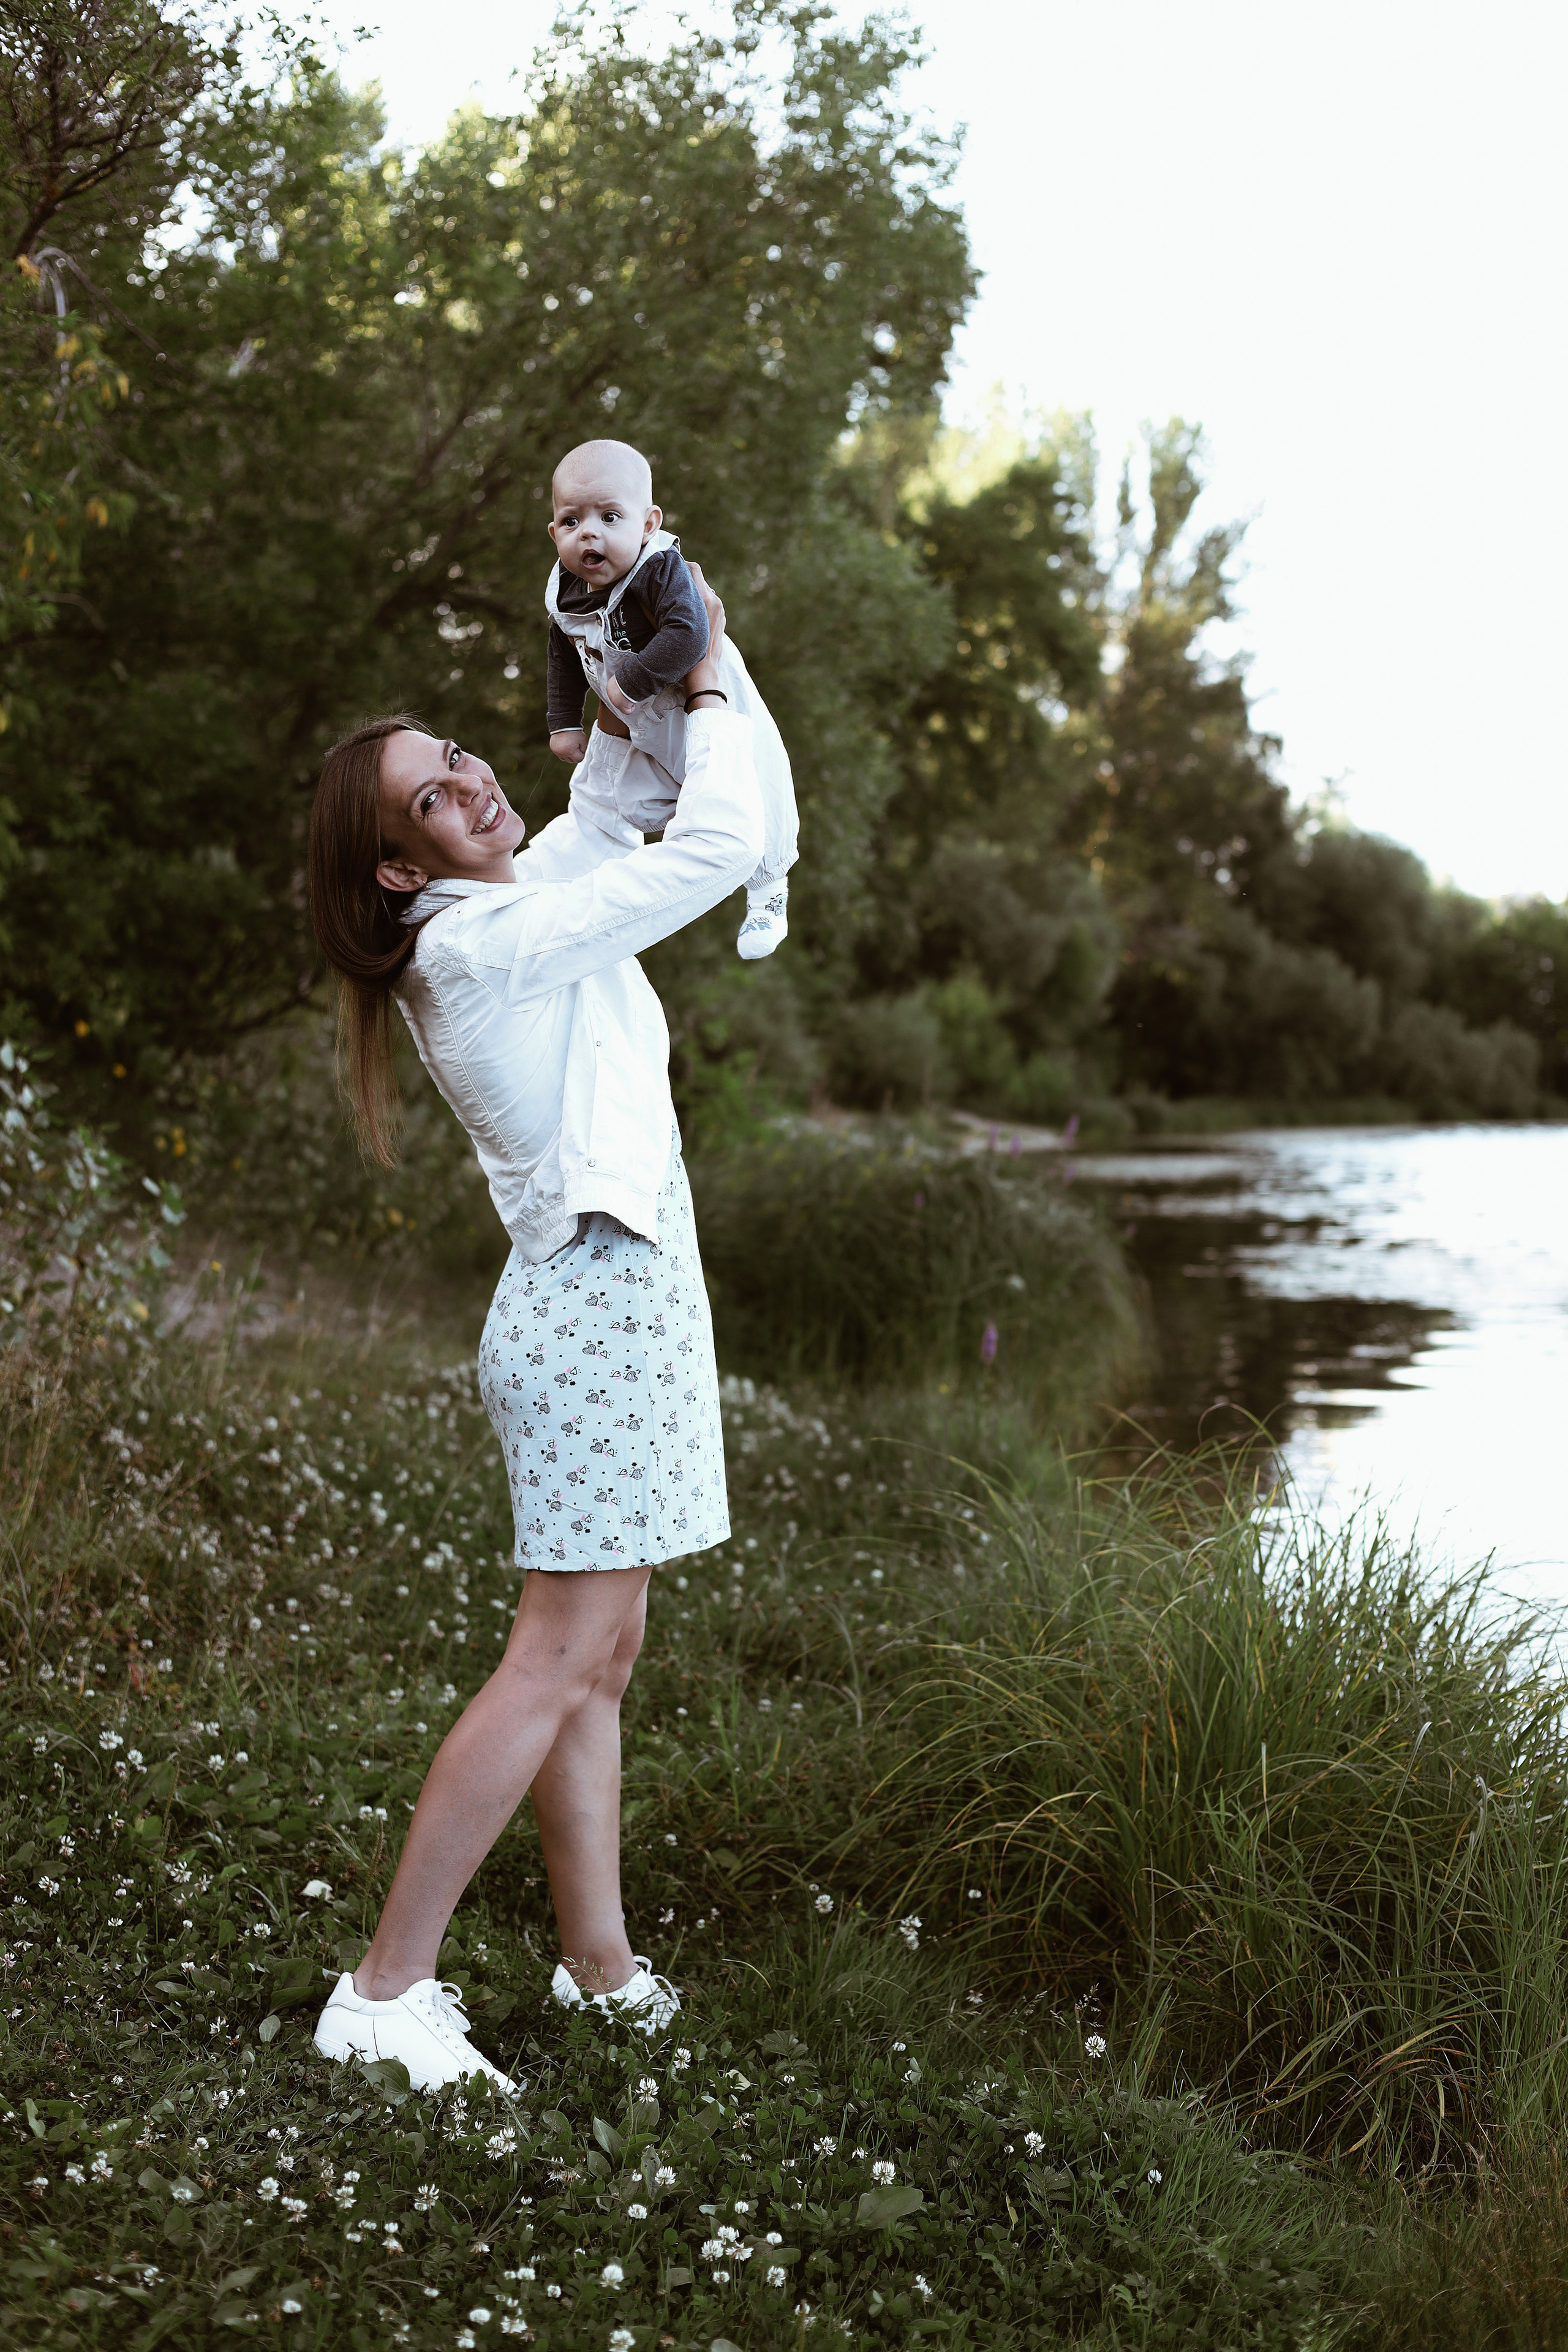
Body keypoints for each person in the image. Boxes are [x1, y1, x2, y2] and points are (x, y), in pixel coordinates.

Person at [304, 568, 758, 2095]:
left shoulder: (516, 902)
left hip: (613, 1300)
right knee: (554, 1656)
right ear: (392, 869)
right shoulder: (478, 946)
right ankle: (384, 1989)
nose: (471, 777)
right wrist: (701, 689)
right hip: (590, 1308)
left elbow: (619, 813)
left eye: (459, 754)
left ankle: (596, 1961)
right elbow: (719, 838)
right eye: (432, 792)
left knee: (601, 1655)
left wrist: (632, 662)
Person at [545, 437, 798, 960]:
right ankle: (701, 834)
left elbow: (690, 634)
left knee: (755, 782)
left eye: (610, 517)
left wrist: (631, 683)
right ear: (554, 533)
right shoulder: (567, 591)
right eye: (572, 522)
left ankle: (768, 889)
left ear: (648, 524)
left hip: (708, 700)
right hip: (647, 720)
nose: (589, 532)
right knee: (636, 800)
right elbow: (563, 651)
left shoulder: (659, 570)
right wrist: (563, 721)